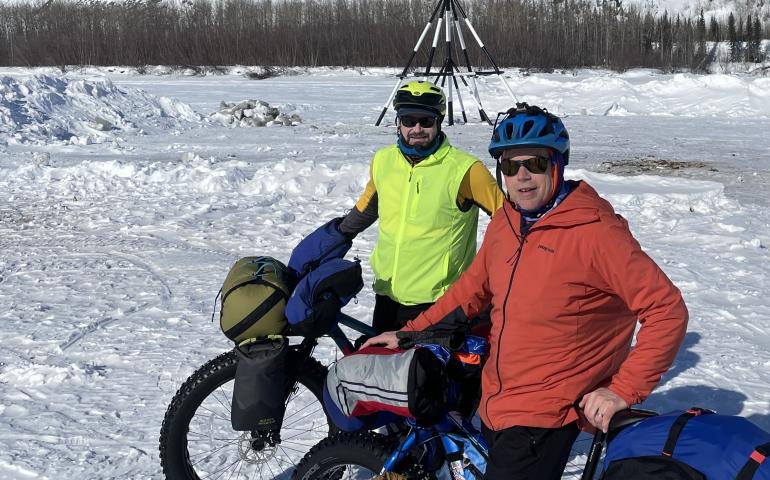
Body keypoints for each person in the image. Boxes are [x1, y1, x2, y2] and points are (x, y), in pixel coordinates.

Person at [362, 103, 689, 479]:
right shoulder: (507, 220)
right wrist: (408, 332)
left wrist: (623, 390)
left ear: (556, 165)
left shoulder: (595, 232)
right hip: (498, 397)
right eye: (509, 166)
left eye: (534, 163)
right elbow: (472, 289)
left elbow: (666, 310)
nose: (522, 177)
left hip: (547, 413)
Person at [336, 80, 504, 333]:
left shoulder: (465, 170)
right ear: (398, 123)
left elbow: (507, 219)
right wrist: (332, 240)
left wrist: (489, 274)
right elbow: (367, 208)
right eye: (408, 121)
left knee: (424, 373)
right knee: (381, 369)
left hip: (439, 302)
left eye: (426, 121)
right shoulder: (383, 161)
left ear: (438, 122)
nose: (417, 128)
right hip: (387, 294)